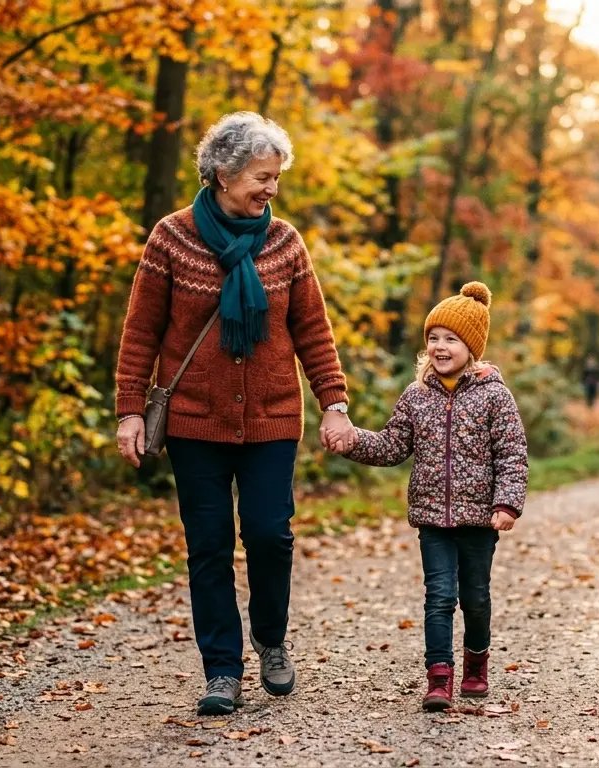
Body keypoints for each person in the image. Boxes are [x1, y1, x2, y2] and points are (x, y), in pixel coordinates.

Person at [114, 112, 355, 716]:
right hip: (195, 421)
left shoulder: (285, 243)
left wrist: (335, 404)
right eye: (261, 176)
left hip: (272, 419)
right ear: (221, 173)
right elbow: (140, 334)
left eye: (275, 177)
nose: (271, 188)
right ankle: (222, 670)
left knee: (271, 536)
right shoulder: (170, 239)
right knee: (210, 546)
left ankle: (271, 640)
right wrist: (129, 412)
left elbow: (312, 331)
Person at [336, 282, 528, 711]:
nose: (440, 347)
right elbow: (391, 445)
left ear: (471, 346)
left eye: (451, 339)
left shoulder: (494, 396)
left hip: (480, 520)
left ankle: (476, 665)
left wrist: (507, 503)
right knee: (439, 597)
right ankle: (439, 677)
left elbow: (512, 452)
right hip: (432, 520)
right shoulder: (416, 395)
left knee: (475, 598)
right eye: (433, 338)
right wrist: (353, 441)